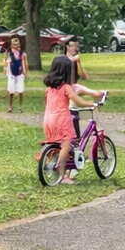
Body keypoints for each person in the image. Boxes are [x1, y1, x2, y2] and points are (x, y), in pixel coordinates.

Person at [42, 56, 87, 185]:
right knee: (65, 147)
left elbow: (46, 104)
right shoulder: (66, 87)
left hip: (48, 119)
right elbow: (76, 100)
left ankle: (48, 164)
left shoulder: (48, 89)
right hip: (62, 119)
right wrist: (88, 103)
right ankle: (61, 176)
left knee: (54, 144)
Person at [5, 36, 27, 113]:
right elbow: (5, 62)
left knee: (20, 91)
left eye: (17, 44)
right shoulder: (9, 53)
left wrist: (25, 72)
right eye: (14, 44)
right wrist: (6, 69)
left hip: (20, 73)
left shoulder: (22, 54)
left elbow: (24, 63)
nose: (16, 46)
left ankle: (20, 106)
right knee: (11, 91)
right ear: (11, 45)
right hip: (11, 73)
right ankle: (10, 106)